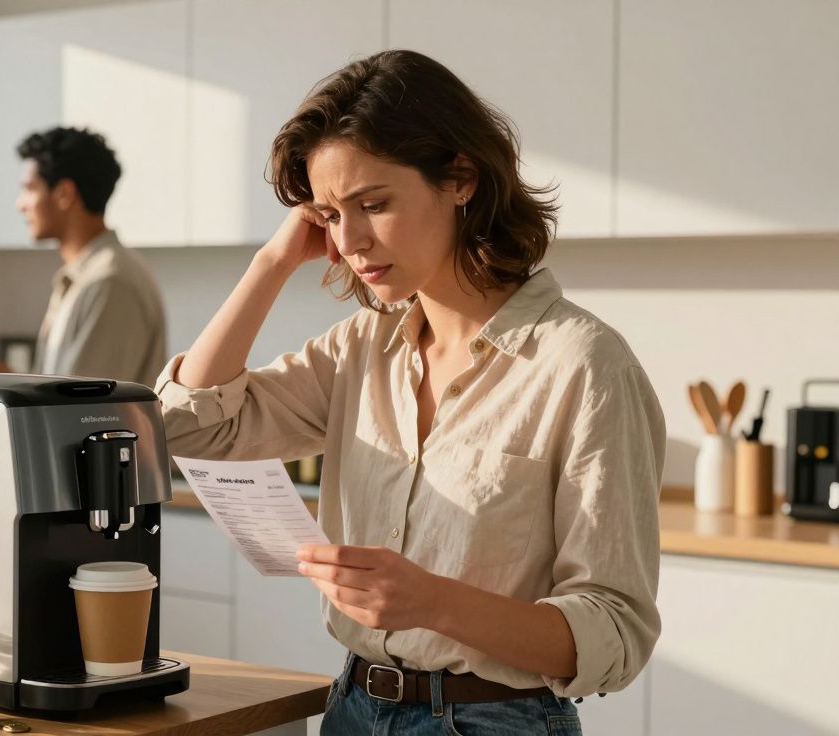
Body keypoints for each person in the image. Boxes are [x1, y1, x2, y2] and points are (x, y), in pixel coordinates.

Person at [156, 50, 664, 734]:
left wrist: (433, 602)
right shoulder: (360, 348)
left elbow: (615, 633)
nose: (350, 240)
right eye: (329, 215)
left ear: (460, 179)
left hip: (496, 722)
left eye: (374, 205)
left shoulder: (583, 365)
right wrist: (271, 263)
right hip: (351, 708)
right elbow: (189, 428)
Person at [0, 127, 165, 386]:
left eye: (30, 189)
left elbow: (83, 402)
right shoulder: (85, 277)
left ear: (64, 194)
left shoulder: (110, 282)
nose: (20, 204)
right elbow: (59, 391)